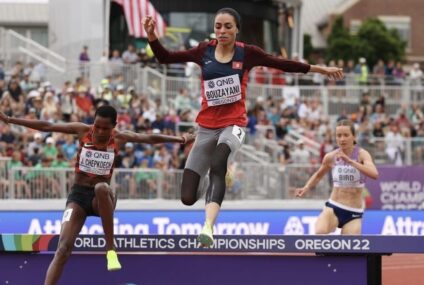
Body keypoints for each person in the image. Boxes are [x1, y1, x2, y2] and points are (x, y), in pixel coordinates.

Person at [142, 7, 344, 247]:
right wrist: (152, 36)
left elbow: (282, 64)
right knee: (187, 197)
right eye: (218, 26)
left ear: (237, 29)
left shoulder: (247, 53)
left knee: (218, 163)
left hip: (234, 124)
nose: (222, 31)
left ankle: (208, 226)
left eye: (228, 26)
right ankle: (213, 178)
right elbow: (166, 58)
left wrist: (319, 69)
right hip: (206, 128)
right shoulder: (203, 51)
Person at [0, 105, 195, 285]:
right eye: (98, 127)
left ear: (114, 126)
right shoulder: (82, 131)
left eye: (105, 128)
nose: (101, 132)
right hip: (78, 195)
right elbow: (47, 125)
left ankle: (110, 250)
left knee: (101, 187)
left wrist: (180, 139)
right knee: (62, 250)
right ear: (93, 122)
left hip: (103, 199)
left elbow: (150, 138)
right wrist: (9, 119)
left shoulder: (119, 137)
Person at [295, 120, 378, 235]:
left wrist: (350, 162)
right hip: (334, 207)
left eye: (346, 135)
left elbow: (374, 174)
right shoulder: (331, 157)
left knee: (348, 250)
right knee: (319, 233)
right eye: (339, 136)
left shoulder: (362, 154)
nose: (342, 139)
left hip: (354, 212)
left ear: (354, 136)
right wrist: (306, 187)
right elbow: (319, 175)